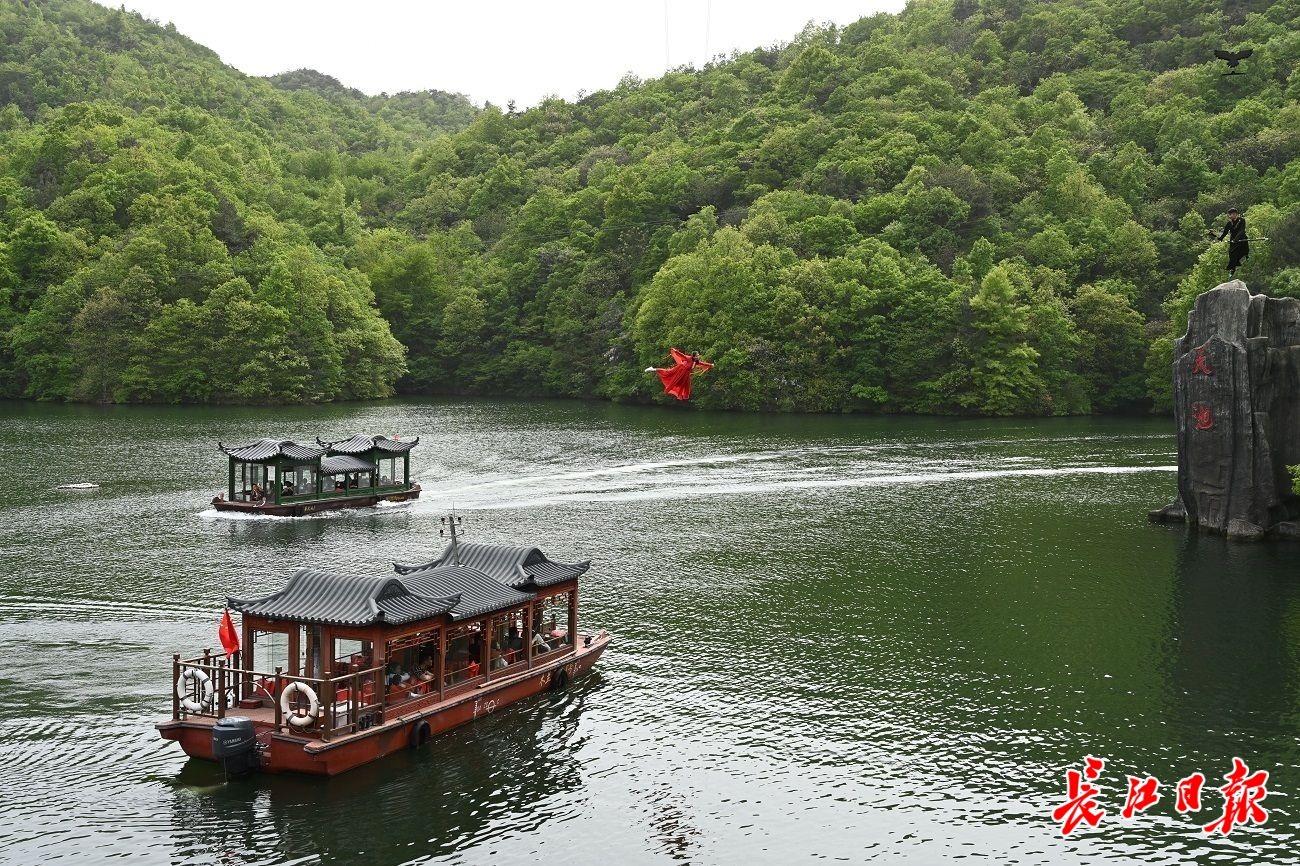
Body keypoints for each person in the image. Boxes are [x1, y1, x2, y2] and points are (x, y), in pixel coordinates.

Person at [646, 347, 714, 401]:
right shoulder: (689, 358)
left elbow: (703, 363)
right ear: (694, 356)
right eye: (697, 355)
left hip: (685, 374)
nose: (698, 356)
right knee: (668, 373)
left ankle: (682, 395)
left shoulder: (696, 361)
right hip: (680, 370)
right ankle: (653, 369)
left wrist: (710, 365)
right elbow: (682, 355)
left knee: (685, 385)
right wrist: (675, 351)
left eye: (698, 355)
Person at [1218, 207, 1249, 277]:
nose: (1230, 216)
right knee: (1232, 254)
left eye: (1231, 214)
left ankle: (1246, 256)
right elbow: (1225, 232)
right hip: (1233, 241)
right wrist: (1220, 238)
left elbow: (1242, 230)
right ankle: (1232, 269)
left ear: (1235, 214)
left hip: (1241, 238)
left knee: (1243, 250)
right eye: (1229, 214)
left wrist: (1236, 239)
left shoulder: (1242, 220)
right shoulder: (1229, 223)